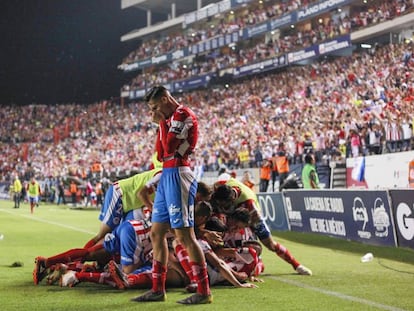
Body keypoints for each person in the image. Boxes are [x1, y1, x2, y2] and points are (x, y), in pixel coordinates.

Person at [132, 85, 212, 305]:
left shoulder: (183, 115)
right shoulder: (168, 119)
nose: (154, 111)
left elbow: (170, 145)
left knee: (184, 236)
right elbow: (160, 153)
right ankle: (158, 290)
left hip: (179, 174)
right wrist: (161, 124)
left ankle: (204, 292)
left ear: (166, 99)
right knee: (156, 234)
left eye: (156, 106)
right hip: (167, 173)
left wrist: (160, 123)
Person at [211, 177, 312, 276]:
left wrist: (242, 228)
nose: (221, 207)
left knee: (270, 244)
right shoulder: (221, 186)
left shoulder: (249, 204)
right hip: (236, 214)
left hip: (251, 218)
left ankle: (296, 265)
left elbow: (252, 221)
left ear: (232, 200)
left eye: (224, 205)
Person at [33, 218, 153, 286]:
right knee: (126, 274)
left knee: (91, 253)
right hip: (139, 236)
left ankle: (49, 262)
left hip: (131, 224)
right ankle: (78, 275)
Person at [83, 167, 162, 249]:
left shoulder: (167, 176)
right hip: (120, 194)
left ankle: (97, 259)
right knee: (102, 235)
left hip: (132, 205)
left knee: (116, 238)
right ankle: (82, 256)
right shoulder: (162, 175)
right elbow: (141, 194)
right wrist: (155, 212)